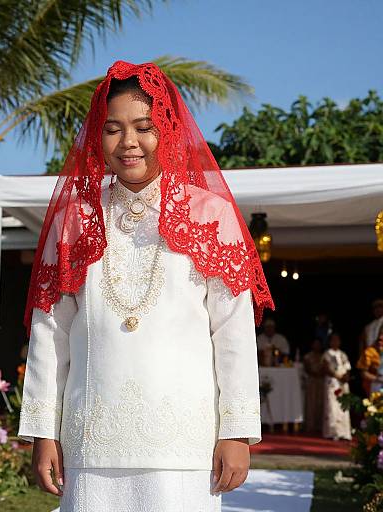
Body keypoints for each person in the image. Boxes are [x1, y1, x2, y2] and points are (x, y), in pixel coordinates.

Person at [18, 61, 274, 512]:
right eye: (113, 129)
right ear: (98, 137)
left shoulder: (209, 213)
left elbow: (232, 331)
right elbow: (49, 334)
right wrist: (44, 431)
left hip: (184, 442)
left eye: (144, 127)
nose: (129, 142)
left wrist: (235, 431)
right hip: (91, 438)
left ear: (169, 130)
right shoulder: (74, 220)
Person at [321, 333, 351, 441]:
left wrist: (346, 376)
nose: (335, 342)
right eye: (333, 340)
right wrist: (338, 376)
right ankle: (333, 432)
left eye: (337, 340)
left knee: (343, 407)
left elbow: (347, 367)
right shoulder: (327, 354)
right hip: (333, 382)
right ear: (329, 342)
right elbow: (326, 368)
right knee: (332, 407)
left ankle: (344, 432)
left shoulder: (343, 354)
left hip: (343, 383)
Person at [303, 339, 324, 433]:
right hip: (312, 381)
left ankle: (320, 425)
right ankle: (309, 425)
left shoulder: (324, 356)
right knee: (311, 403)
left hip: (321, 381)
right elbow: (307, 368)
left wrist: (320, 373)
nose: (317, 346)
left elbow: (325, 367)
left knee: (321, 403)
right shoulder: (307, 356)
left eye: (318, 344)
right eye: (315, 344)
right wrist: (314, 373)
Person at [357, 323, 383, 396]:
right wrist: (379, 379)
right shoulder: (370, 351)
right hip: (377, 387)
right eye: (381, 334)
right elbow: (363, 373)